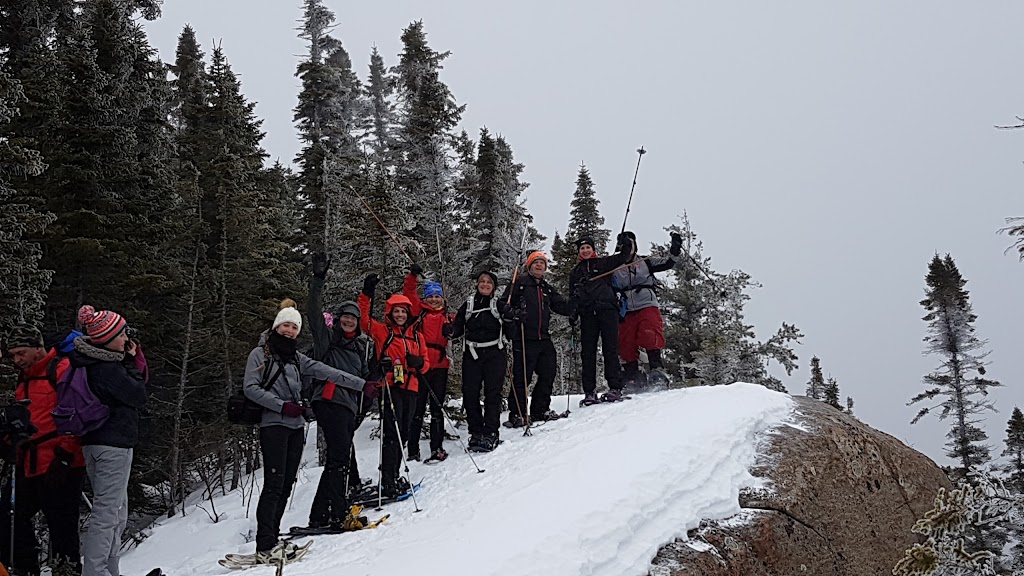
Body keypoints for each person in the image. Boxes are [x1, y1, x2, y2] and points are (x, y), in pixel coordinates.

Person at [243, 299, 369, 558]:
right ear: (278, 326)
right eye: (286, 325)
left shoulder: (297, 358)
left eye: (294, 327)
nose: (289, 331)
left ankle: (274, 538)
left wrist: (362, 385)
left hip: (295, 426)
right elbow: (251, 389)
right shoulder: (260, 354)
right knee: (274, 484)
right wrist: (281, 406)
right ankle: (264, 543)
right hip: (273, 425)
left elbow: (328, 372)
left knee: (287, 483)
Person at [0, 325, 85, 575]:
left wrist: (66, 456)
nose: (17, 360)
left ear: (38, 348)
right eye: (13, 355)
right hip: (28, 461)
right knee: (8, 516)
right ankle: (25, 568)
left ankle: (66, 571)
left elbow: (76, 414)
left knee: (62, 526)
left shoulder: (61, 369)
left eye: (21, 353)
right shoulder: (25, 376)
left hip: (61, 463)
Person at [71, 305, 148, 576]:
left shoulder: (89, 361)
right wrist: (130, 363)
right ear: (108, 337)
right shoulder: (107, 368)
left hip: (96, 442)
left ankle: (110, 569)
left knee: (115, 512)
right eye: (122, 333)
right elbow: (137, 395)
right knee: (107, 513)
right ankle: (95, 571)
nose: (126, 338)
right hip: (112, 444)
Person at [305, 255, 375, 530]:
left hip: (348, 407)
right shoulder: (327, 342)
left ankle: (322, 513)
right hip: (329, 401)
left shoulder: (360, 348)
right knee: (339, 458)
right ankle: (337, 511)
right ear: (337, 320)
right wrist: (318, 280)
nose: (348, 321)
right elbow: (312, 312)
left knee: (338, 459)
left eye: (353, 318)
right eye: (344, 317)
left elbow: (366, 378)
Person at [358, 273, 429, 496]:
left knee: (404, 433)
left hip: (412, 388)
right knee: (392, 433)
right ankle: (387, 478)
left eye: (403, 311)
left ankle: (394, 474)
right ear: (390, 313)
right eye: (396, 311)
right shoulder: (383, 332)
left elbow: (426, 364)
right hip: (390, 388)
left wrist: (419, 364)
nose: (400, 315)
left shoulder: (417, 337)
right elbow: (363, 320)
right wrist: (367, 293)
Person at [504, 251, 574, 427]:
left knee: (548, 373)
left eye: (542, 263)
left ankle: (539, 410)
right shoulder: (519, 283)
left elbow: (562, 306)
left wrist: (575, 303)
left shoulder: (546, 288)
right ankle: (517, 413)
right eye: (536, 262)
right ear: (529, 265)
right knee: (522, 377)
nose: (539, 265)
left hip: (543, 337)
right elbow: (503, 304)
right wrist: (514, 314)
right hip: (524, 337)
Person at [568, 233, 637, 405]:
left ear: (593, 249)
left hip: (607, 310)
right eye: (582, 248)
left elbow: (623, 257)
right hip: (587, 313)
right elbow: (572, 295)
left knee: (610, 349)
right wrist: (573, 312)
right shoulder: (576, 272)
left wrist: (626, 243)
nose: (585, 250)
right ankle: (589, 392)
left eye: (588, 247)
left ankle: (615, 387)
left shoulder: (604, 263)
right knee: (588, 353)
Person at [447, 270, 509, 452]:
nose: (485, 284)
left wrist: (514, 316)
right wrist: (451, 330)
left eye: (489, 282)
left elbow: (510, 328)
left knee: (493, 394)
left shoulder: (498, 304)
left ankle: (491, 432)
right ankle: (476, 432)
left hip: (495, 354)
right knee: (470, 394)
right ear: (477, 284)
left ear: (494, 287)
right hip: (472, 355)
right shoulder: (468, 305)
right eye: (482, 281)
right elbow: (458, 327)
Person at [613, 231, 683, 388]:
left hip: (646, 303)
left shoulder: (646, 262)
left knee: (650, 333)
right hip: (625, 308)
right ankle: (632, 375)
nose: (628, 248)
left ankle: (656, 369)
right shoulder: (614, 266)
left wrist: (675, 248)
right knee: (626, 342)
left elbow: (668, 262)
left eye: (630, 244)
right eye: (625, 244)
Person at [403, 263, 453, 463]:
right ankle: (413, 449)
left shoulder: (448, 316)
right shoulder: (418, 311)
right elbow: (409, 291)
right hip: (420, 367)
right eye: (431, 296)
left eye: (437, 296)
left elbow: (461, 327)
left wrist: (454, 330)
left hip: (440, 367)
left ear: (442, 298)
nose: (434, 299)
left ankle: (436, 447)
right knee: (417, 409)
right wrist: (413, 276)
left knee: (436, 409)